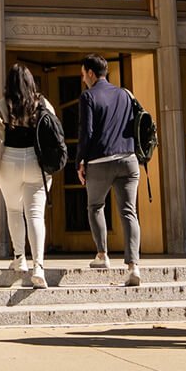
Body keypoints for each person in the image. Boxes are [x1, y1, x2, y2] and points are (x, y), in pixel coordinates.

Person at [0, 63, 61, 288]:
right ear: (31, 82)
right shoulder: (43, 103)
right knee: (36, 215)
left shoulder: (1, 107)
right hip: (38, 163)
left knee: (14, 210)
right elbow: (54, 133)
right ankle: (39, 266)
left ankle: (20, 259)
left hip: (10, 162)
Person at [75, 54, 144, 286]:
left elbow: (87, 132)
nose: (83, 78)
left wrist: (79, 162)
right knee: (129, 212)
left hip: (100, 161)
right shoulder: (126, 94)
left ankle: (102, 255)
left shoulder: (88, 96)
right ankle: (134, 266)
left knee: (95, 206)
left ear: (91, 74)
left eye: (83, 73)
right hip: (128, 159)